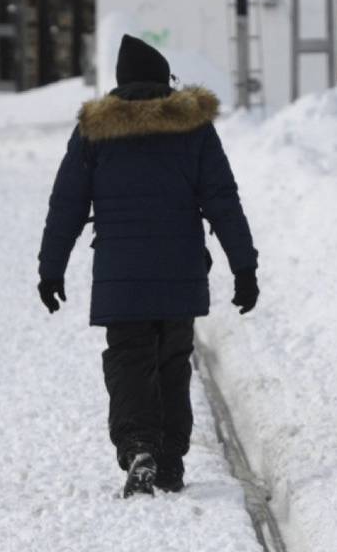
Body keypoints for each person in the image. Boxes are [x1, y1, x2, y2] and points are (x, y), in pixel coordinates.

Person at [37, 35, 260, 499]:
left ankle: (139, 445)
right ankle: (171, 462)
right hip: (180, 272)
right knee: (173, 363)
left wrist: (51, 268)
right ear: (162, 80)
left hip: (122, 276)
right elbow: (223, 200)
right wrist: (244, 267)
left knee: (128, 359)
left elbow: (67, 205)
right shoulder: (193, 127)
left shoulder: (94, 131)